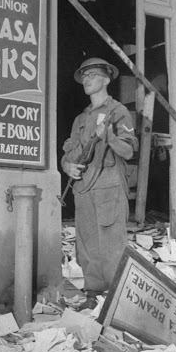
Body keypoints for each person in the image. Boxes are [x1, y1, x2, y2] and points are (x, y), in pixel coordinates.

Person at [61, 57, 138, 310]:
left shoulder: (118, 112)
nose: (86, 79)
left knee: (112, 245)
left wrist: (111, 136)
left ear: (106, 79)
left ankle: (118, 302)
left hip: (109, 188)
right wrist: (67, 166)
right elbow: (69, 153)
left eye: (92, 75)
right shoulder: (80, 119)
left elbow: (128, 151)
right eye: (84, 76)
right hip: (83, 189)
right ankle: (93, 296)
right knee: (87, 244)